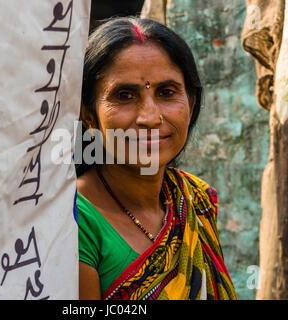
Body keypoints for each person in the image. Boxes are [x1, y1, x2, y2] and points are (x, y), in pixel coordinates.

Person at [76, 16, 237, 300]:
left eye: (167, 92)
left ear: (192, 103)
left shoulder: (193, 201)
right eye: (125, 95)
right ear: (88, 114)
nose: (150, 117)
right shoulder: (74, 222)